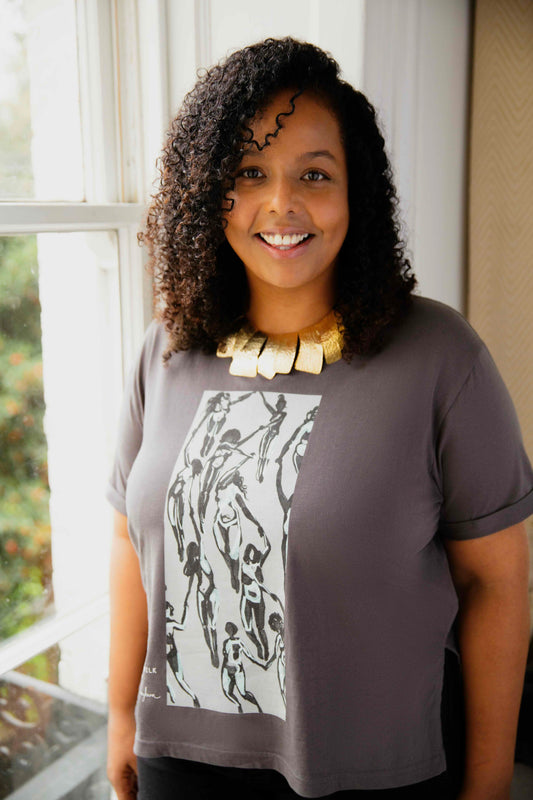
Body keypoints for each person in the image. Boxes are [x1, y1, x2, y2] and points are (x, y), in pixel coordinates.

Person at [106, 37, 533, 800]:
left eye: (314, 174)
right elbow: (128, 538)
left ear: (355, 193)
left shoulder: (441, 357)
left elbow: (496, 584)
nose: (281, 205)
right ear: (208, 191)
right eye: (248, 173)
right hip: (179, 764)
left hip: (378, 776)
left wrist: (490, 781)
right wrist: (116, 714)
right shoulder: (164, 352)